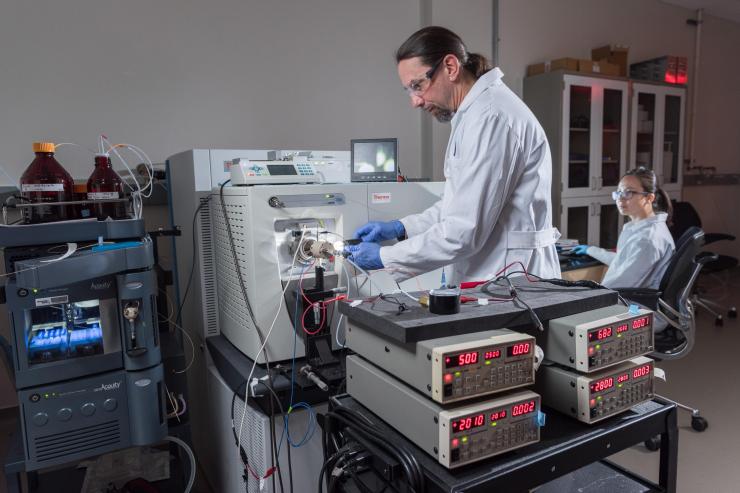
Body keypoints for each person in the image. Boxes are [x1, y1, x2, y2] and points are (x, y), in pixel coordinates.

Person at [346, 26, 561, 285]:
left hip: (513, 279)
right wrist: (402, 228)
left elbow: (463, 230)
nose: (415, 101)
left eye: (418, 85)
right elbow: (458, 205)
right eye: (409, 90)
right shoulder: (473, 115)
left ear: (450, 67)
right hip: (493, 277)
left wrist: (385, 256)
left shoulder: (492, 117)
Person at [571, 167, 675, 289]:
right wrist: (591, 250)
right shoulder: (644, 229)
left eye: (628, 192)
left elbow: (618, 286)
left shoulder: (647, 239)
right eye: (619, 192)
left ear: (649, 198)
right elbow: (623, 262)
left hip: (628, 304)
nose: (620, 198)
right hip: (624, 297)